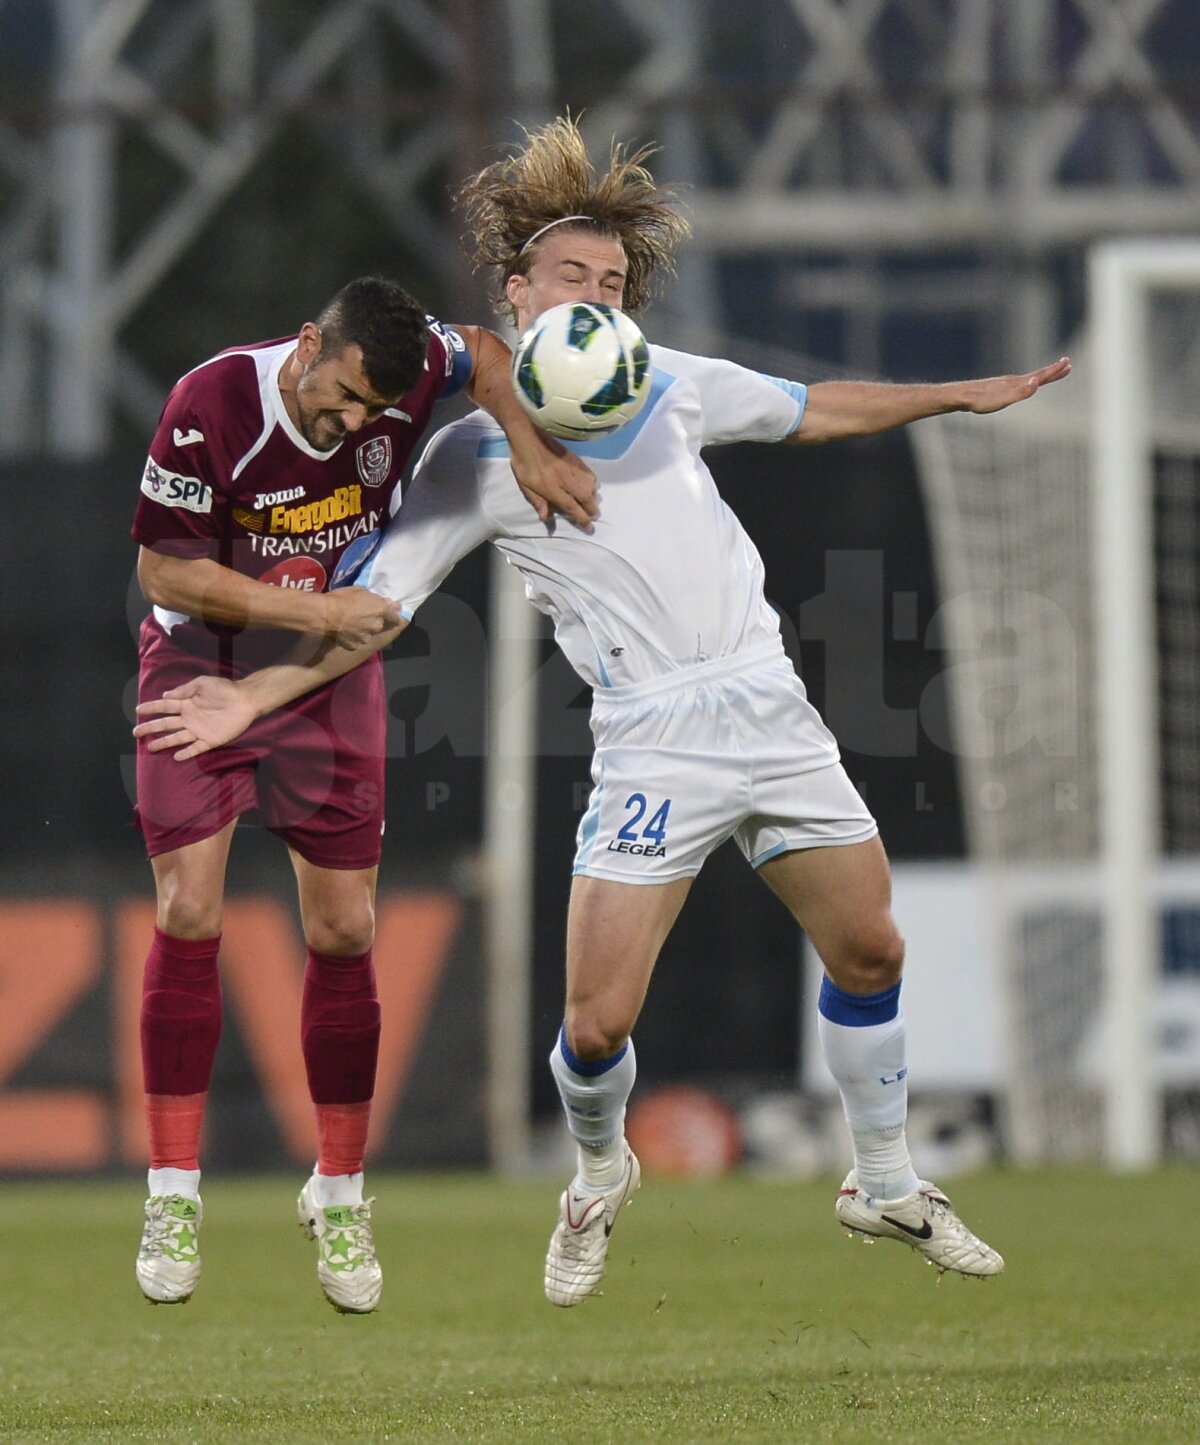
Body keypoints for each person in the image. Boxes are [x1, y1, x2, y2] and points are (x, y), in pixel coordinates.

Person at [134, 121, 1071, 1308]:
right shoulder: (470, 460)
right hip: (651, 736)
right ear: (518, 293)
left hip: (767, 698)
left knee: (874, 944)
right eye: (573, 277)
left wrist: (958, 394)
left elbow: (815, 406)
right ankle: (594, 1172)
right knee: (595, 1022)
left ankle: (882, 1177)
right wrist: (260, 691)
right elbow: (377, 609)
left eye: (615, 283)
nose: (597, 295)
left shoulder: (673, 382)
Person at [129, 274, 596, 1314]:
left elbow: (479, 347)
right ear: (306, 343)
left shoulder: (408, 369)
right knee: (187, 905)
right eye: (342, 398)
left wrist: (523, 437)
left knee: (344, 930)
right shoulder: (212, 403)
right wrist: (306, 601)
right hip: (201, 670)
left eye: (375, 412)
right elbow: (166, 572)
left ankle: (339, 1186)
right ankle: (172, 1187)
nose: (355, 423)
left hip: (325, 674)